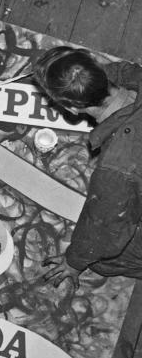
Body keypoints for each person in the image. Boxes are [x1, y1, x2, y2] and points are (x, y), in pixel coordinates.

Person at [33, 47, 142, 294]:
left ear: (72, 108)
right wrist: (85, 76)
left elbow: (104, 233)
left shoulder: (116, 169)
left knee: (105, 259)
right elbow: (129, 71)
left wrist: (74, 262)